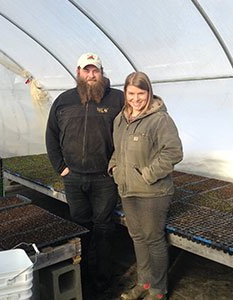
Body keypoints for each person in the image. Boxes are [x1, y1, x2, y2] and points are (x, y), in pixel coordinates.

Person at [45, 52, 124, 293]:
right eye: (86, 70)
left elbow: (130, 133)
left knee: (104, 229)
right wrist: (62, 167)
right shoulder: (64, 100)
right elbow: (51, 135)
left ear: (101, 73)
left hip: (104, 179)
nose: (91, 74)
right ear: (78, 72)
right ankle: (82, 276)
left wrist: (116, 167)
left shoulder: (117, 99)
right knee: (80, 227)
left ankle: (102, 280)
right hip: (74, 178)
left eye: (95, 70)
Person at [108, 72, 183, 300]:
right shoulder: (120, 119)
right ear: (125, 93)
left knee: (153, 238)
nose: (136, 99)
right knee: (137, 236)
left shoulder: (160, 119)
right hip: (128, 189)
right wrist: (114, 168)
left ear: (149, 92)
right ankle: (144, 283)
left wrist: (149, 174)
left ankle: (159, 290)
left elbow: (173, 152)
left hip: (153, 192)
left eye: (141, 93)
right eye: (131, 93)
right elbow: (118, 149)